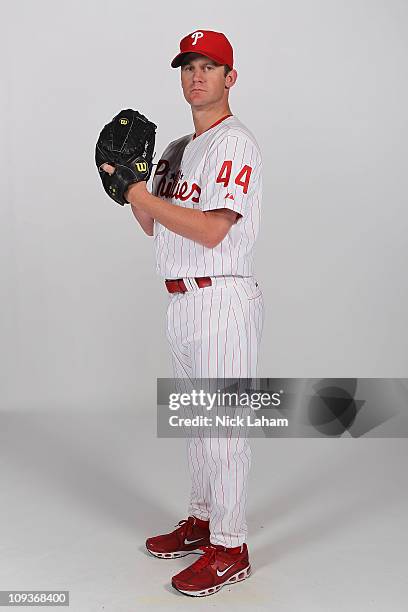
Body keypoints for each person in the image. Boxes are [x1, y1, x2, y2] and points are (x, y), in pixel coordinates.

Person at [103, 29, 264, 597]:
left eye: (209, 66)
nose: (196, 76)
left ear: (230, 78)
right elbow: (152, 222)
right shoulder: (176, 148)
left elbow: (213, 230)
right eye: (188, 66)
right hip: (181, 300)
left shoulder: (235, 144)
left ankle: (231, 545)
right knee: (197, 424)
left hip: (221, 297)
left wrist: (142, 197)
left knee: (224, 429)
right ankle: (202, 520)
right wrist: (126, 185)